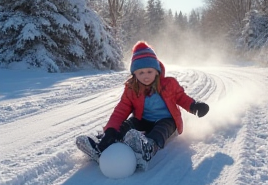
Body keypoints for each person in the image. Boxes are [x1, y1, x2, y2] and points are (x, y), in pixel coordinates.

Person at [76, 41, 209, 163]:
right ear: (135, 74)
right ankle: (102, 144)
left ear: (157, 71)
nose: (146, 76)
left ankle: (149, 147)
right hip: (143, 119)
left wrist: (194, 106)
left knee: (160, 130)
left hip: (167, 120)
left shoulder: (169, 84)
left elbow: (181, 98)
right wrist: (111, 129)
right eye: (141, 73)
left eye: (149, 71)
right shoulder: (132, 88)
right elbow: (121, 110)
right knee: (127, 124)